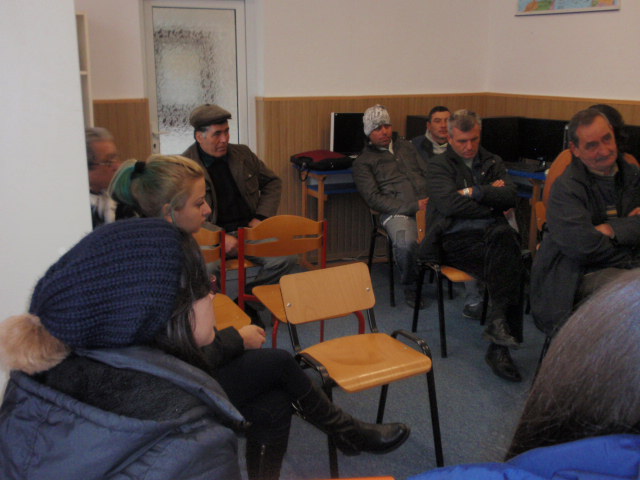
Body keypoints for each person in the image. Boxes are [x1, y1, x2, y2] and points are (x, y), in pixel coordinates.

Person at [109, 157, 411, 479]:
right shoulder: (159, 264)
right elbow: (184, 356)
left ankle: (345, 434)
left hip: (181, 372)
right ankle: (347, 432)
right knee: (279, 363)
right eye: (198, 203)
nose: (208, 210)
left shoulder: (160, 244)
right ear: (169, 211)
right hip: (168, 388)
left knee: (274, 403)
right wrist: (237, 339)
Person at [407, 268, 640, 480]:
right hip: (450, 241)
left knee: (505, 253)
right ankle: (496, 328)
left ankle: (498, 332)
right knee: (502, 254)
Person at [422, 109, 525, 382]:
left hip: (492, 236)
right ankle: (499, 345)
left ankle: (499, 339)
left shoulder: (492, 160)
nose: (469, 147)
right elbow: (449, 205)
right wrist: (492, 201)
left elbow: (511, 196)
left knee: (506, 250)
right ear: (450, 138)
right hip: (452, 239)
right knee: (511, 262)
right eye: (462, 141)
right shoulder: (439, 166)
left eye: (474, 140)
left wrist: (475, 192)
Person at [531, 108, 640, 337]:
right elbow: (583, 247)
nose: (604, 150)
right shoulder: (566, 188)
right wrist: (630, 239)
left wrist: (611, 229)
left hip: (624, 266)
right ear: (575, 149)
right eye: (592, 145)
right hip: (574, 276)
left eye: (607, 139)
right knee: (632, 295)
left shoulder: (633, 175)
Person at [181, 104, 296, 292]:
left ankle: (251, 299)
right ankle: (217, 307)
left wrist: (261, 217)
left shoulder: (243, 154)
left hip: (248, 232)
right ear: (199, 137)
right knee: (206, 269)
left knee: (286, 258)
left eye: (227, 132)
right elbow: (184, 213)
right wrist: (220, 236)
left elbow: (273, 182)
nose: (224, 139)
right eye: (217, 134)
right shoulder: (185, 166)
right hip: (210, 237)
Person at [411, 106, 485, 319]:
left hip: (471, 214)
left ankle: (500, 298)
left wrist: (483, 197)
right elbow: (450, 202)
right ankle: (476, 300)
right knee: (473, 237)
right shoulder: (420, 151)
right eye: (438, 121)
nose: (443, 125)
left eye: (447, 120)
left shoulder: (478, 157)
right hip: (442, 219)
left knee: (504, 223)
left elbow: (498, 192)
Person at [353, 104, 429, 309]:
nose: (384, 131)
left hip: (429, 206)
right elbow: (373, 199)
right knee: (406, 243)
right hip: (396, 213)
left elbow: (427, 173)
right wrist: (413, 206)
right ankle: (411, 287)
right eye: (378, 128)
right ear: (369, 133)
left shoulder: (407, 147)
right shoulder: (363, 162)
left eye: (387, 126)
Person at [86, 127, 121, 228]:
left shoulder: (120, 200)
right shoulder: (80, 209)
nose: (117, 166)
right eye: (109, 162)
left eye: (116, 158)